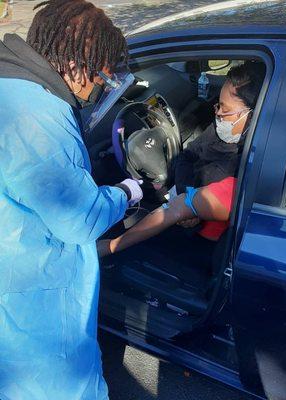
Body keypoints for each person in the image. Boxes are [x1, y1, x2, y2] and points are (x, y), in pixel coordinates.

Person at [0, 1, 142, 399]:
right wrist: (125, 192)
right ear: (77, 64)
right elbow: (79, 219)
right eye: (101, 76)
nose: (99, 88)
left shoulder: (9, 87)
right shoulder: (39, 116)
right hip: (32, 295)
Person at [98, 62, 264, 257]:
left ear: (253, 115)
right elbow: (185, 155)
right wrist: (186, 194)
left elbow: (178, 207)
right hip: (182, 202)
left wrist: (112, 245)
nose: (218, 114)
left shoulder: (242, 168)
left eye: (225, 110)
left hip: (203, 243)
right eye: (218, 106)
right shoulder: (221, 131)